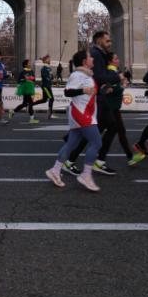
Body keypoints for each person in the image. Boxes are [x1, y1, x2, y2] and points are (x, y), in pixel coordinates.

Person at [45, 50, 101, 192]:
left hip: (84, 113)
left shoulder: (86, 75)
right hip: (81, 113)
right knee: (96, 142)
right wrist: (83, 91)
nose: (92, 58)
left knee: (72, 143)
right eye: (90, 57)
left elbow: (89, 92)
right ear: (84, 61)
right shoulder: (77, 74)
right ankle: (86, 175)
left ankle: (55, 170)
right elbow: (67, 92)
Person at [10, 59, 38, 124]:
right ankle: (32, 118)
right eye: (29, 63)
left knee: (24, 104)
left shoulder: (31, 71)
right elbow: (19, 80)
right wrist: (25, 79)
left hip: (30, 88)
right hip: (25, 89)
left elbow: (34, 79)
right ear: (25, 64)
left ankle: (13, 111)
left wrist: (32, 79)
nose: (30, 64)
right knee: (30, 103)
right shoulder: (23, 72)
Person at [32, 55, 56, 119]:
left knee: (44, 100)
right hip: (45, 86)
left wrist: (53, 78)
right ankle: (50, 114)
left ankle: (31, 104)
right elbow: (46, 77)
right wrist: (51, 79)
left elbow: (51, 76)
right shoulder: (44, 68)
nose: (50, 60)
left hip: (48, 86)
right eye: (48, 59)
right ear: (45, 60)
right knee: (51, 98)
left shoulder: (49, 68)